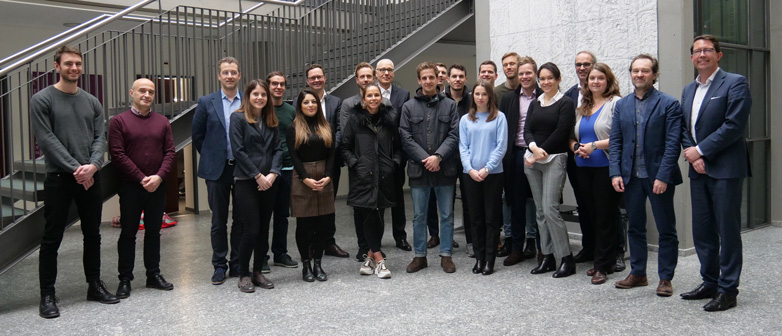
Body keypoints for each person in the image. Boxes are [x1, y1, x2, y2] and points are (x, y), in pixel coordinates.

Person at [31, 45, 118, 318]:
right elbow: (47, 140)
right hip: (59, 178)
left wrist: (93, 166)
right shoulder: (42, 99)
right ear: (56, 66)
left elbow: (99, 138)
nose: (74, 68)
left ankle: (94, 286)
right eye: (68, 63)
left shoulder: (92, 101)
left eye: (78, 64)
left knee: (92, 234)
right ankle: (47, 295)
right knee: (52, 238)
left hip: (90, 176)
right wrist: (77, 169)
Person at [679, 35, 751, 312]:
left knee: (727, 231)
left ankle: (728, 289)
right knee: (703, 231)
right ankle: (709, 281)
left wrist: (701, 151)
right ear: (692, 57)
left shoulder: (735, 82)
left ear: (718, 55)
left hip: (725, 169)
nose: (702, 55)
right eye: (697, 51)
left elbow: (734, 125)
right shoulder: (688, 90)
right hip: (698, 170)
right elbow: (684, 127)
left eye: (708, 50)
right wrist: (691, 153)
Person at [609, 54, 682, 297]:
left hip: (658, 176)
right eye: (635, 70)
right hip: (630, 177)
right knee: (636, 227)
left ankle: (665, 278)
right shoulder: (622, 105)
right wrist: (615, 172)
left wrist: (663, 176)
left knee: (665, 228)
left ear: (654, 74)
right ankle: (638, 273)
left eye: (645, 71)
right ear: (630, 73)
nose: (639, 75)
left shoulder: (669, 104)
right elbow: (617, 141)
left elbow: (673, 144)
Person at [109, 78, 176, 299]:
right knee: (128, 233)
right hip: (131, 187)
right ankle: (125, 279)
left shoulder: (162, 122)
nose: (146, 95)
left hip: (157, 186)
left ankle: (153, 275)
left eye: (151, 91)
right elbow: (118, 155)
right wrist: (141, 178)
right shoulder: (118, 122)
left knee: (154, 233)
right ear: (132, 93)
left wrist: (158, 177)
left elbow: (170, 152)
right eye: (142, 91)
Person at [400, 62, 460, 274]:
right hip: (419, 170)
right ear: (419, 80)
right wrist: (427, 159)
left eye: (431, 77)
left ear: (437, 79)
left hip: (445, 169)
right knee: (419, 216)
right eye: (423, 78)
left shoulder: (450, 106)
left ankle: (446, 255)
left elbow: (454, 135)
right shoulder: (408, 107)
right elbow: (405, 138)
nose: (428, 81)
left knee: (446, 214)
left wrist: (438, 157)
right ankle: (420, 256)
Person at [567, 63, 621, 285]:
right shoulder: (583, 106)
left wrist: (594, 146)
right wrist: (577, 147)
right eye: (592, 79)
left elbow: (621, 136)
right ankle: (603, 260)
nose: (595, 82)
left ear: (607, 80)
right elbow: (574, 135)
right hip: (583, 168)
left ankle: (602, 265)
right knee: (591, 215)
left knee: (604, 217)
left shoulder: (615, 103)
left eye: (600, 78)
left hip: (605, 168)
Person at [192, 57, 244, 284]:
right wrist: (214, 157)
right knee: (218, 221)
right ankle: (219, 266)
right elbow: (198, 136)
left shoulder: (248, 101)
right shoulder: (206, 102)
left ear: (239, 75)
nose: (230, 76)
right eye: (225, 72)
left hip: (243, 169)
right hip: (217, 171)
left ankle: (238, 263)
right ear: (219, 76)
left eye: (233, 72)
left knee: (241, 220)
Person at [340, 84, 400, 279]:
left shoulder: (389, 120)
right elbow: (345, 147)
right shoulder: (355, 121)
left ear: (381, 98)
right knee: (367, 214)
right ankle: (380, 258)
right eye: (370, 96)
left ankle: (370, 257)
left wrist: (394, 164)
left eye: (377, 95)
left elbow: (398, 147)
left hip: (384, 175)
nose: (373, 98)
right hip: (363, 175)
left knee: (380, 214)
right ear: (363, 99)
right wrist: (355, 164)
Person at [524, 62, 576, 278]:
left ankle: (566, 258)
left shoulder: (565, 103)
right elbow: (527, 130)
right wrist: (533, 148)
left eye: (549, 78)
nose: (545, 82)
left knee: (550, 208)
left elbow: (562, 131)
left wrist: (541, 151)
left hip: (554, 159)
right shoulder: (535, 103)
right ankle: (547, 256)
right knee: (540, 211)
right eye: (542, 78)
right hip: (533, 161)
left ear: (558, 79)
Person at [229, 80, 281, 293]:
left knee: (263, 229)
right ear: (248, 96)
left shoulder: (271, 120)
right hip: (246, 181)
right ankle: (243, 274)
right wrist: (258, 175)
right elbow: (238, 150)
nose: (260, 98)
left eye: (263, 95)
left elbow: (278, 149)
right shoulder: (237, 118)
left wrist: (273, 174)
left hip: (270, 181)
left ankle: (258, 271)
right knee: (250, 229)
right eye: (255, 94)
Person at [338, 62, 390, 261]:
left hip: (380, 168)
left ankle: (373, 247)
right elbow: (346, 139)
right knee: (361, 208)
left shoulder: (385, 108)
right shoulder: (348, 105)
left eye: (370, 76)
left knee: (379, 207)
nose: (366, 79)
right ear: (356, 79)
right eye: (363, 76)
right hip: (360, 166)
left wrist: (390, 162)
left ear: (374, 78)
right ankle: (364, 247)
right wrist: (355, 163)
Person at [287, 90, 337, 282]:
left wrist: (328, 176)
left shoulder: (327, 126)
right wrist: (304, 178)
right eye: (306, 102)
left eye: (313, 102)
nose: (310, 105)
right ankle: (306, 265)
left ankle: (318, 263)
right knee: (304, 225)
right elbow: (294, 155)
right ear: (300, 106)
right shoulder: (293, 128)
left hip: (324, 176)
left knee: (323, 223)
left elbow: (332, 154)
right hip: (303, 178)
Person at [459, 81, 508, 275]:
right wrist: (470, 169)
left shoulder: (499, 117)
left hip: (493, 174)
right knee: (476, 218)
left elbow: (501, 146)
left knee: (491, 218)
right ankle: (479, 258)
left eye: (484, 94)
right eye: (477, 94)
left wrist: (487, 168)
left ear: (490, 97)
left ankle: (490, 259)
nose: (480, 97)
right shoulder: (465, 119)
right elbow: (463, 147)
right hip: (470, 175)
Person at [301, 64, 349, 259]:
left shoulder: (336, 102)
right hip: (308, 162)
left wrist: (328, 148)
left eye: (319, 77)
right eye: (312, 78)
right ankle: (312, 244)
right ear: (307, 81)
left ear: (325, 78)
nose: (316, 80)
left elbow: (340, 129)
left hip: (330, 161)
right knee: (311, 204)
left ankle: (329, 242)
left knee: (329, 204)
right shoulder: (302, 102)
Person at [498, 56, 542, 266]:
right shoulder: (509, 99)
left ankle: (543, 248)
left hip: (540, 156)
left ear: (535, 74)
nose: (525, 77)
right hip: (516, 155)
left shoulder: (544, 96)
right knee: (516, 202)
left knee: (540, 203)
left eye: (528, 73)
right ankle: (516, 248)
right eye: (522, 73)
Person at [563, 50, 598, 265]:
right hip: (576, 159)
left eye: (586, 64)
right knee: (583, 205)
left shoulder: (606, 93)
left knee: (605, 207)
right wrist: (575, 146)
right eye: (578, 64)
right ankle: (589, 247)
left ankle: (615, 251)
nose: (582, 68)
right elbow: (566, 128)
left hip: (601, 158)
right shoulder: (569, 95)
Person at [376, 58, 412, 252]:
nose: (386, 73)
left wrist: (399, 157)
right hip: (376, 156)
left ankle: (400, 237)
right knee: (378, 199)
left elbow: (404, 126)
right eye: (382, 70)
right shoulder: (370, 94)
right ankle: (377, 239)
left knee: (398, 198)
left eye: (389, 69)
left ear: (393, 73)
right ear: (376, 74)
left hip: (396, 155)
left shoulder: (403, 94)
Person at [265, 71, 298, 271]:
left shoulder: (290, 110)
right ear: (268, 86)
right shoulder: (261, 109)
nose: (278, 87)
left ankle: (280, 253)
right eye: (274, 84)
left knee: (282, 215)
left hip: (287, 168)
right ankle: (261, 257)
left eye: (282, 84)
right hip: (266, 172)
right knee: (263, 216)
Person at [445, 64, 473, 256]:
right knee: (446, 204)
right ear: (447, 79)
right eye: (453, 76)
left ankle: (471, 241)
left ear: (465, 78)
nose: (457, 79)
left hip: (468, 159)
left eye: (460, 76)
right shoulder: (441, 100)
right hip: (446, 158)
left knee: (469, 202)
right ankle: (446, 242)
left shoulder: (473, 100)